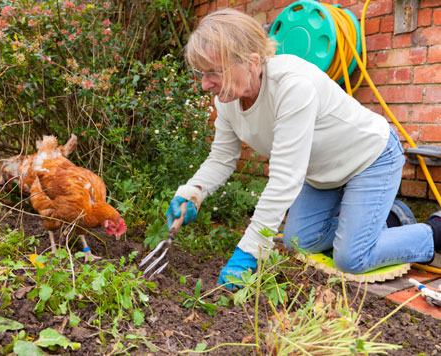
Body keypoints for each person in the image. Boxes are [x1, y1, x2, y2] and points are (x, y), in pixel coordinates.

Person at [166, 8, 441, 289]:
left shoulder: (292, 85)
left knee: (353, 257)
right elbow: (222, 158)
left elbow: (285, 178)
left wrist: (250, 249)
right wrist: (194, 192)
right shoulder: (226, 100)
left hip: (370, 158)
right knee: (298, 242)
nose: (204, 84)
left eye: (213, 72)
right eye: (202, 73)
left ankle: (434, 231)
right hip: (323, 172)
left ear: (250, 61)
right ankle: (390, 219)